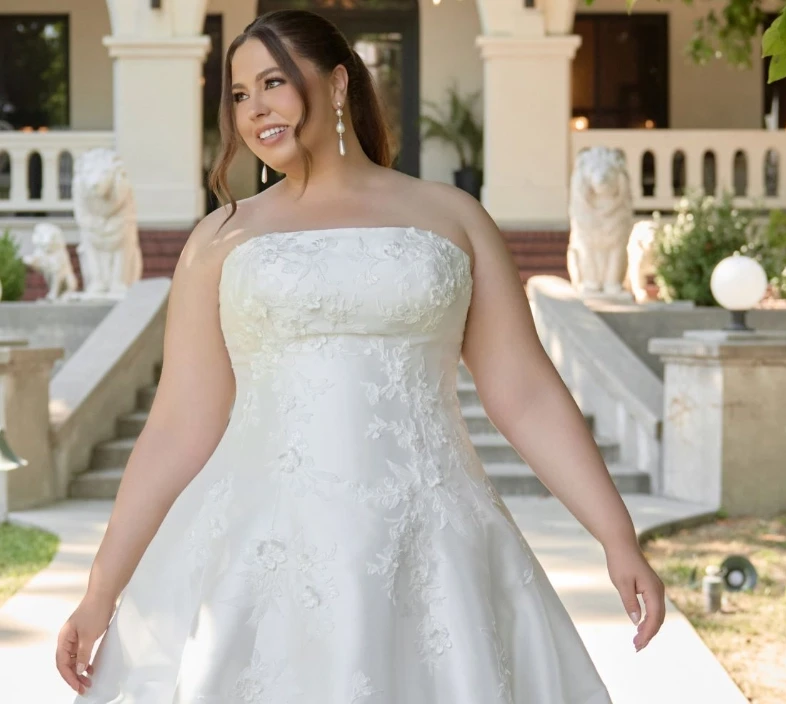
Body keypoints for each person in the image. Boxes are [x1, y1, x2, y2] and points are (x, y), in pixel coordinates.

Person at [52, 10, 662, 702]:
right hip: (263, 550)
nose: (254, 109)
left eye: (273, 83)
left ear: (338, 84)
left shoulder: (453, 217)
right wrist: (101, 590)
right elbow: (176, 427)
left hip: (434, 545)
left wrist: (616, 535)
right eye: (240, 94)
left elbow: (525, 392)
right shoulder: (219, 240)